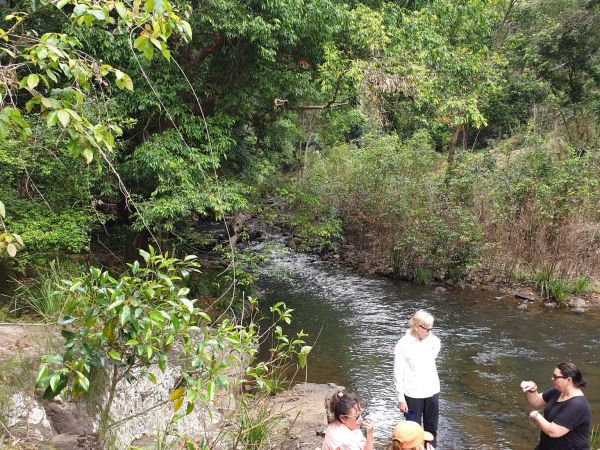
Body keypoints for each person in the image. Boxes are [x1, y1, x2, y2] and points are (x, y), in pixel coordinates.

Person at [393, 309, 440, 447]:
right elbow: (398, 372)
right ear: (417, 326)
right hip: (412, 395)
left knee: (431, 428)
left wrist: (427, 336)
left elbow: (435, 347)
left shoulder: (432, 340)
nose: (429, 332)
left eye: (431, 329)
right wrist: (401, 399)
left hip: (432, 391)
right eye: (427, 329)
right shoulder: (403, 344)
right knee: (412, 431)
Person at [521, 362, 591, 450]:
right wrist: (532, 390)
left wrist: (536, 415)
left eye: (555, 377)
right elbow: (535, 402)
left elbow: (553, 431)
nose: (552, 379)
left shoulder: (577, 404)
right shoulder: (558, 391)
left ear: (568, 380)